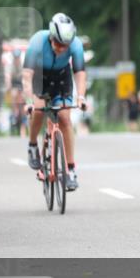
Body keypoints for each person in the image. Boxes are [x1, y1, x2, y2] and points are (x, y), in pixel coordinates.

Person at [23, 13, 87, 191]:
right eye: (58, 44)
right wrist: (29, 100)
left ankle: (70, 170)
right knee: (38, 110)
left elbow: (80, 74)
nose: (61, 49)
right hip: (39, 77)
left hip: (61, 78)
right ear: (51, 37)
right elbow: (27, 75)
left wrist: (81, 97)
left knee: (65, 118)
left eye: (65, 46)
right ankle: (33, 145)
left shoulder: (76, 44)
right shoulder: (37, 41)